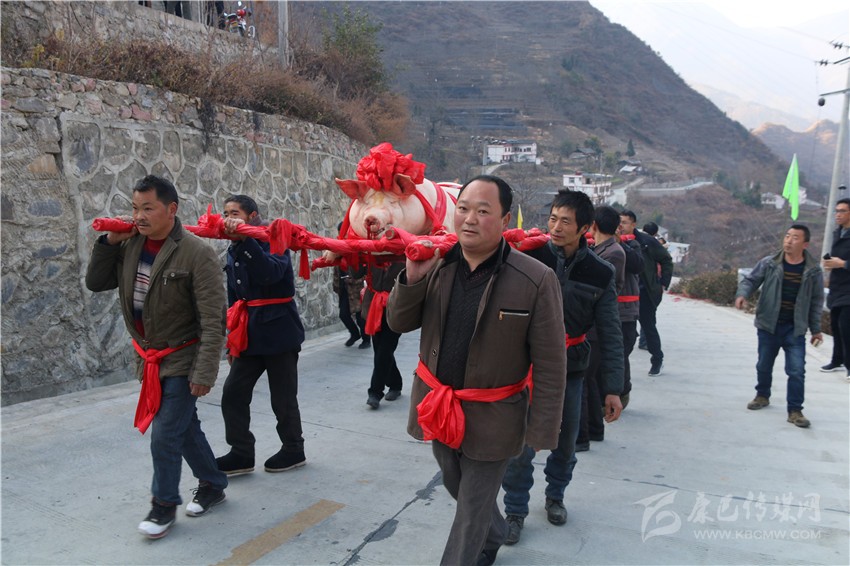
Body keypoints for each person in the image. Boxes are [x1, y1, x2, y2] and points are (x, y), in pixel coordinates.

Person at [386, 175, 567, 566]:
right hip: (439, 407)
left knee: (470, 509)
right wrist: (412, 278)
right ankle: (496, 531)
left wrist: (541, 429)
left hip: (495, 417)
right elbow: (398, 322)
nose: (469, 219)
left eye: (483, 211)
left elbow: (551, 363)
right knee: (456, 484)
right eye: (464, 208)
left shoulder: (536, 279)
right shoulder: (437, 264)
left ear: (504, 221)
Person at [86, 175, 228, 539]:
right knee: (184, 426)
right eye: (135, 208)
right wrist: (108, 242)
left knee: (165, 433)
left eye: (148, 208)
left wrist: (205, 372)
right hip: (149, 358)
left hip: (182, 357)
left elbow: (213, 319)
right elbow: (97, 282)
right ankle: (213, 482)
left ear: (171, 209)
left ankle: (163, 505)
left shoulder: (196, 253)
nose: (139, 216)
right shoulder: (130, 245)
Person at [502, 190, 623, 546]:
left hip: (572, 369)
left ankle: (556, 495)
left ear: (585, 228)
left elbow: (611, 331)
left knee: (566, 442)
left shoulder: (600, 272)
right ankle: (515, 510)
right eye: (553, 218)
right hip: (526, 368)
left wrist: (613, 388)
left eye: (565, 221)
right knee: (521, 445)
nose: (555, 227)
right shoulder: (529, 256)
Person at [214, 195, 307, 476]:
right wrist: (232, 341)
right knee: (233, 393)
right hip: (248, 335)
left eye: (235, 213)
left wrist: (247, 241)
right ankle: (241, 452)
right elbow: (234, 298)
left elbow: (270, 274)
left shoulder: (273, 238)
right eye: (226, 213)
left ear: (252, 216)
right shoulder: (235, 246)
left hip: (279, 332)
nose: (228, 218)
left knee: (283, 399)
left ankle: (294, 449)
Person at [735, 224, 823, 428]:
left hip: (795, 328)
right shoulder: (770, 263)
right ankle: (762, 395)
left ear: (805, 244)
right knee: (764, 364)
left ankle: (795, 410)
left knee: (796, 370)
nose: (789, 241)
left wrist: (816, 329)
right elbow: (750, 281)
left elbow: (817, 301)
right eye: (787, 236)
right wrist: (742, 295)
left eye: (795, 238)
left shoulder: (813, 271)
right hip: (769, 325)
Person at [578, 205, 629, 450]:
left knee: (584, 380)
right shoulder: (602, 249)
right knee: (588, 380)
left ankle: (583, 435)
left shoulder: (613, 253)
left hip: (596, 328)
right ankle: (595, 429)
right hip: (592, 328)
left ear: (593, 225)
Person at [620, 210, 673, 375]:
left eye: (624, 223)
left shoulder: (646, 241)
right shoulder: (615, 241)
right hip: (623, 295)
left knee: (648, 327)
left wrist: (663, 283)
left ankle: (657, 360)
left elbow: (666, 260)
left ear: (633, 224)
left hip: (645, 293)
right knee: (623, 331)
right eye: (619, 222)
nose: (621, 226)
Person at [363, 259, 405, 409]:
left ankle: (375, 392)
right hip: (374, 309)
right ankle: (395, 384)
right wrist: (351, 258)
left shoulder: (404, 258)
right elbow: (356, 274)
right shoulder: (372, 256)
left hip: (396, 311)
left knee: (384, 351)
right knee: (381, 351)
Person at [821, 198, 850, 381]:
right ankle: (837, 359)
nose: (837, 214)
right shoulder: (837, 233)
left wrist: (843, 264)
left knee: (846, 326)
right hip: (837, 286)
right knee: (836, 325)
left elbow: (843, 262)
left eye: (842, 211)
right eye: (836, 211)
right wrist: (830, 263)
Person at [333, 222, 370, 349]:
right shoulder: (338, 247)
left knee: (360, 316)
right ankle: (355, 334)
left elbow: (365, 269)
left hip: (357, 288)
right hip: (344, 287)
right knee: (343, 314)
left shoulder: (358, 246)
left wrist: (356, 280)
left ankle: (366, 339)